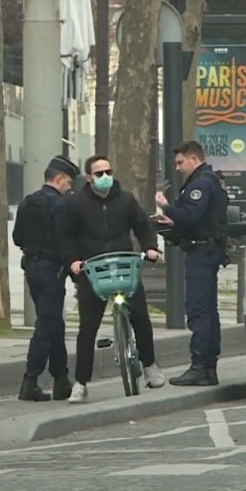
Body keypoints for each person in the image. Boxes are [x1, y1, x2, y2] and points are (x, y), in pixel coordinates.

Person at [58, 155, 165, 403]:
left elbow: (142, 226)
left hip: (124, 266)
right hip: (92, 270)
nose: (105, 176)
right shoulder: (76, 204)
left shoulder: (125, 199)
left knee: (140, 315)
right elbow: (65, 237)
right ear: (88, 178)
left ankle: (149, 365)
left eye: (108, 171)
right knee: (88, 328)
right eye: (98, 173)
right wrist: (73, 261)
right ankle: (81, 383)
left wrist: (150, 247)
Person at [155, 140, 228, 386]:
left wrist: (167, 208)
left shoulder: (201, 184)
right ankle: (208, 367)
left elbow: (192, 216)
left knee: (199, 311)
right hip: (204, 249)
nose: (177, 168)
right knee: (207, 310)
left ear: (194, 159)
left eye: (180, 162)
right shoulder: (209, 181)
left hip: (201, 252)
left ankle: (201, 365)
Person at [12, 156, 79, 401]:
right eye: (69, 182)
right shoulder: (61, 205)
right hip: (53, 268)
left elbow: (18, 237)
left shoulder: (28, 202)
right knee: (46, 324)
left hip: (32, 267)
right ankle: (30, 380)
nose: (70, 187)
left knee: (53, 323)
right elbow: (66, 240)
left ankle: (61, 379)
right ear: (59, 179)